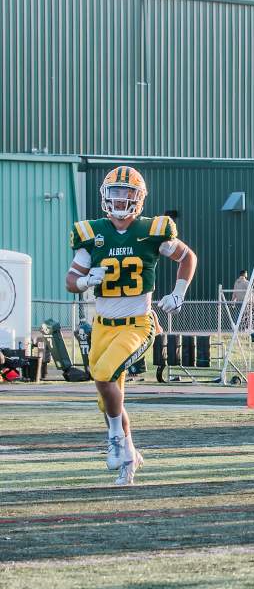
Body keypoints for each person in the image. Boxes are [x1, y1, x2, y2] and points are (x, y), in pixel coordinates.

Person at [65, 165, 197, 486]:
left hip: (137, 323)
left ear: (138, 198)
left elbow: (187, 257)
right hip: (102, 325)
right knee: (110, 395)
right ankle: (130, 452)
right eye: (115, 193)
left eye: (127, 194)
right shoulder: (91, 233)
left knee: (105, 375)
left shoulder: (153, 231)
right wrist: (84, 281)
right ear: (105, 197)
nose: (120, 199)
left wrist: (178, 293)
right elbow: (70, 280)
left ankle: (114, 439)